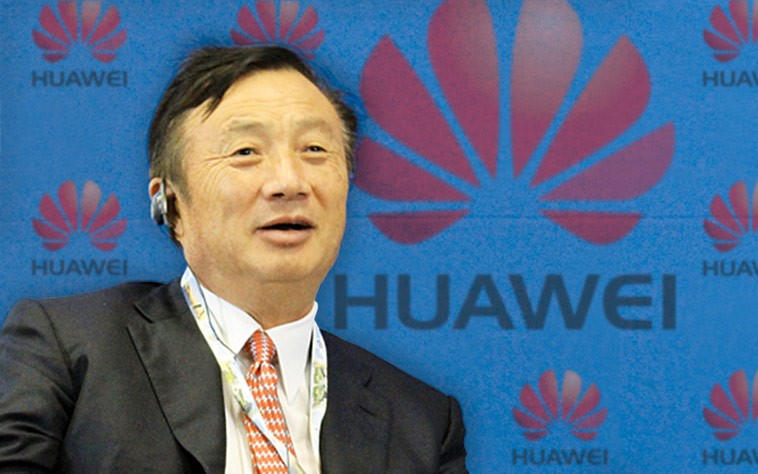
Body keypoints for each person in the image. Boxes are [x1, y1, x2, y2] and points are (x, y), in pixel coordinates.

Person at [0, 46, 467, 473]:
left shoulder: (420, 422)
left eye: (314, 150)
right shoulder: (69, 349)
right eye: (245, 152)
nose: (289, 182)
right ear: (170, 204)